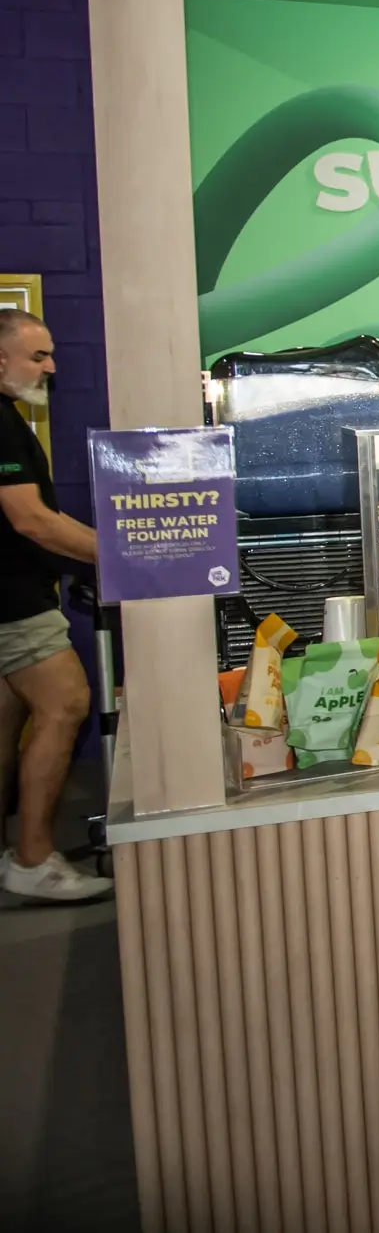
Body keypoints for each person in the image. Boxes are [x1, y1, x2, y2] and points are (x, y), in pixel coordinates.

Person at [0, 309, 111, 902]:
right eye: (38, 356)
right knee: (66, 703)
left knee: (8, 717)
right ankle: (34, 859)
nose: (51, 366)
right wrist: (122, 557)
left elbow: (46, 514)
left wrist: (105, 543)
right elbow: (32, 521)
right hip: (13, 599)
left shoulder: (11, 419)